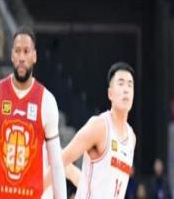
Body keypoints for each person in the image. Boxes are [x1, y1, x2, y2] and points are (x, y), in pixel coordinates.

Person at [0, 26, 66, 198]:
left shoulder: (46, 101)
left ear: (34, 56)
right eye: (18, 51)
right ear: (12, 55)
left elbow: (57, 165)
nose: (22, 57)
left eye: (26, 51)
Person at [48, 62, 136, 198]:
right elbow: (60, 161)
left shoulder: (131, 138)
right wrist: (34, 190)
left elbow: (100, 184)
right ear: (110, 93)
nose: (126, 90)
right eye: (121, 83)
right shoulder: (100, 126)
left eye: (130, 85)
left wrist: (72, 173)